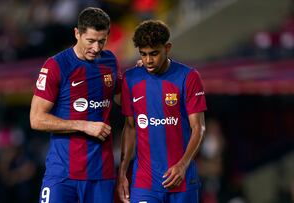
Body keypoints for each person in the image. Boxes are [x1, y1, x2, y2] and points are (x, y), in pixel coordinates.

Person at [30, 7, 121, 203]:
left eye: (102, 41)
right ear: (77, 33)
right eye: (90, 41)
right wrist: (83, 125)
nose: (96, 48)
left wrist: (142, 75)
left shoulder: (110, 61)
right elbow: (36, 119)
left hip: (101, 175)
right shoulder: (56, 65)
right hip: (63, 174)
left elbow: (122, 98)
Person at [117, 20, 207, 203]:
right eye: (143, 54)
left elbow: (199, 128)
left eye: (154, 53)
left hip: (182, 180)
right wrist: (122, 174)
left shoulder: (188, 77)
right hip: (145, 182)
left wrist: (183, 165)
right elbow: (130, 127)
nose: (148, 60)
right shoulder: (131, 79)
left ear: (167, 48)